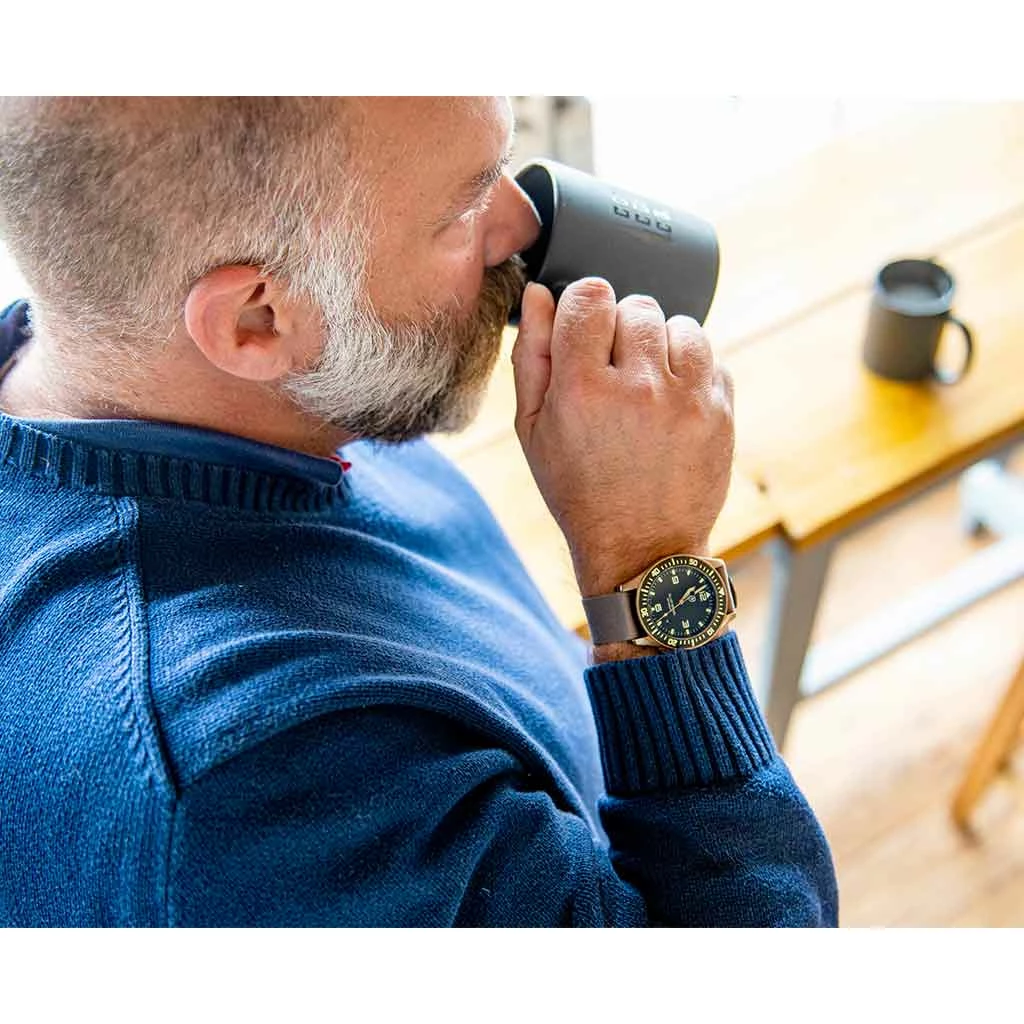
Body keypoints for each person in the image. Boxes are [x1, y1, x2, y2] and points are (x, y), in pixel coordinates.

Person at [0, 96, 838, 926]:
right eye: (464, 208)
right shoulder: (269, 793)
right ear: (256, 320)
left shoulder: (224, 388)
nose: (522, 220)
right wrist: (648, 565)